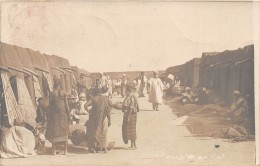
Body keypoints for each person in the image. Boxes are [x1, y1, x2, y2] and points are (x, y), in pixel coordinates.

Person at [45, 79, 70, 155]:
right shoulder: (64, 92)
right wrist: (69, 114)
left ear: (54, 84)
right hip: (63, 113)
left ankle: (54, 151)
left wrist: (48, 115)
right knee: (64, 130)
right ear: (60, 84)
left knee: (54, 131)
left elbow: (50, 105)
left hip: (55, 114)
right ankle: (65, 151)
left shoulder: (52, 93)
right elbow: (67, 105)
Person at [84, 87, 112, 153]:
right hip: (103, 119)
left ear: (94, 93)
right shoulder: (105, 99)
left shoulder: (94, 99)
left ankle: (94, 148)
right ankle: (104, 148)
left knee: (94, 132)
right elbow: (108, 110)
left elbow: (85, 105)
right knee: (104, 133)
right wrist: (110, 120)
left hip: (95, 119)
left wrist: (89, 111)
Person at [122, 82, 139, 149]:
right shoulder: (133, 95)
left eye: (127, 88)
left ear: (130, 88)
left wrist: (128, 116)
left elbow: (131, 107)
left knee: (130, 129)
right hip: (133, 114)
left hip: (130, 114)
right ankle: (134, 144)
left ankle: (132, 145)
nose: (126, 89)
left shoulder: (130, 96)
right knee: (133, 129)